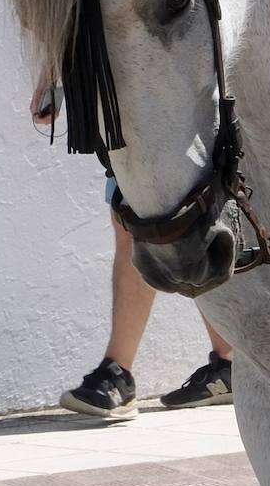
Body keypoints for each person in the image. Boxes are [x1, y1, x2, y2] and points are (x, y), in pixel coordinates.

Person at [30, 84, 236, 421]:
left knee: (149, 222)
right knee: (143, 222)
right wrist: (51, 81)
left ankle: (119, 373)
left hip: (159, 95)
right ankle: (226, 364)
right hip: (126, 98)